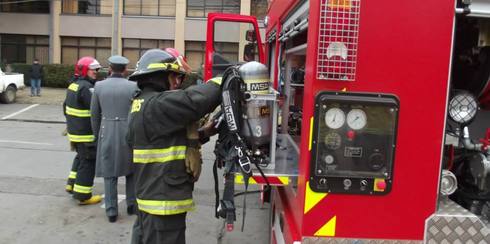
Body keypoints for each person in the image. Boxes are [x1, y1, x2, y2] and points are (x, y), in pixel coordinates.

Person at [127, 49, 222, 244]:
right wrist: (225, 78)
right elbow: (194, 101)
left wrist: (204, 133)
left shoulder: (140, 104)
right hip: (162, 203)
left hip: (152, 197)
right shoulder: (157, 104)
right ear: (158, 76)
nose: (178, 82)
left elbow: (163, 140)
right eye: (174, 76)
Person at [90, 55, 138, 223]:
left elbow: (94, 114)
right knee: (131, 169)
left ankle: (111, 210)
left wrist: (97, 135)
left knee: (109, 172)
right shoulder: (134, 86)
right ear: (125, 70)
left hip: (107, 130)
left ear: (109, 68)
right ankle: (132, 204)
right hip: (128, 131)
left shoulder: (99, 86)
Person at [63, 56, 102, 205]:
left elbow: (65, 107)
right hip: (85, 134)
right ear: (85, 70)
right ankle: (83, 195)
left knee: (80, 157)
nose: (96, 72)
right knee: (88, 162)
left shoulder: (73, 85)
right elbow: (95, 109)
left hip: (75, 132)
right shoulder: (86, 88)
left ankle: (71, 184)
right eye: (94, 70)